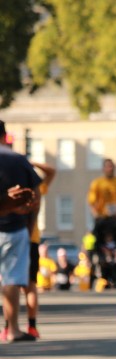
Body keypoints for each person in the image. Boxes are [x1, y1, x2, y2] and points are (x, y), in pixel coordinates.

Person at [0, 120, 43, 343]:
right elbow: (36, 195)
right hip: (14, 228)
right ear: (4, 135)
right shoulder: (17, 160)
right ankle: (13, 330)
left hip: (12, 225)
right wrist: (30, 225)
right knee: (11, 280)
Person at [18, 161, 57, 338]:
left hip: (12, 236)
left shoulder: (10, 187)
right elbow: (51, 171)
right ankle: (32, 326)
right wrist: (30, 162)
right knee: (30, 285)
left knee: (9, 284)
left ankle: (9, 325)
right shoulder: (35, 188)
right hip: (31, 238)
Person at [89, 158, 116, 287]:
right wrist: (97, 216)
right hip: (103, 220)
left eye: (111, 166)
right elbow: (92, 203)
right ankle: (97, 271)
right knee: (95, 241)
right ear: (103, 169)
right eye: (107, 166)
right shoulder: (97, 183)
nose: (110, 169)